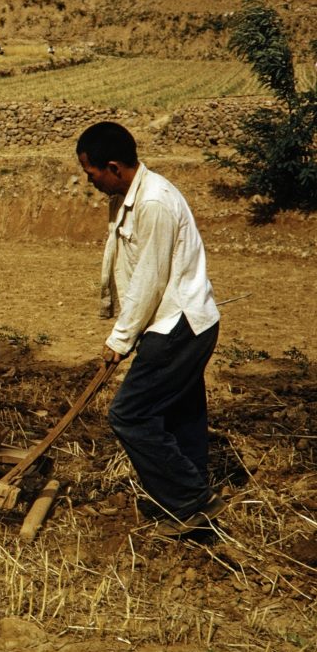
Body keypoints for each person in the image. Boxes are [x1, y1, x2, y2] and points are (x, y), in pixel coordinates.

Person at [76, 122, 224, 538]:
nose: (91, 182)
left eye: (92, 174)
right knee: (182, 412)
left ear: (113, 166)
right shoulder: (129, 196)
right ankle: (194, 510)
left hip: (179, 325)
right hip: (179, 322)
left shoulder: (154, 202)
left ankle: (192, 501)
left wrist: (119, 340)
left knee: (129, 415)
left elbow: (150, 278)